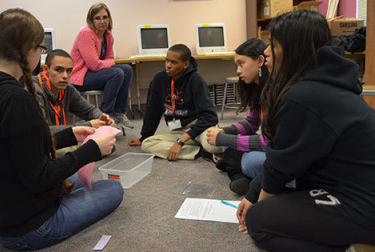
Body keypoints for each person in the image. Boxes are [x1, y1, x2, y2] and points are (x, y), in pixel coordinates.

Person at [0, 8, 123, 250]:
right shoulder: (16, 99)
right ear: (29, 50)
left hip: (5, 212)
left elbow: (21, 148)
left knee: (76, 179)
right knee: (113, 188)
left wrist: (69, 134)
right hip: (29, 227)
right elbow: (39, 177)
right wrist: (91, 150)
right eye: (41, 49)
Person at [236, 10, 375, 251]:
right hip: (348, 186)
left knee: (259, 221)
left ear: (292, 48)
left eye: (272, 44)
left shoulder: (303, 95)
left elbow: (281, 167)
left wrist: (257, 206)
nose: (266, 52)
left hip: (360, 203)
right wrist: (253, 193)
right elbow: (284, 154)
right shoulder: (322, 82)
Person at [128, 44, 222, 161]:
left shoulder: (195, 79)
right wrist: (144, 137)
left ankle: (205, 148)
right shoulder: (159, 79)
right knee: (147, 144)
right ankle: (201, 152)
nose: (168, 65)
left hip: (200, 127)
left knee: (215, 146)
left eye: (174, 62)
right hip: (180, 130)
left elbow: (210, 117)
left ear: (185, 64)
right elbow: (153, 111)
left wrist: (181, 141)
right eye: (167, 60)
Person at [206, 38, 269, 195]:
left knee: (250, 162)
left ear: (260, 61)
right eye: (237, 65)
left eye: (242, 63)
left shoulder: (275, 92)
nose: (238, 70)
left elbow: (270, 142)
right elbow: (251, 124)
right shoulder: (257, 88)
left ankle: (234, 170)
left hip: (277, 149)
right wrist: (224, 132)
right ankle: (233, 165)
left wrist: (224, 139)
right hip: (270, 145)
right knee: (230, 136)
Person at [70, 2, 134, 129]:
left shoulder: (108, 35)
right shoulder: (86, 33)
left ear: (109, 19)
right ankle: (105, 114)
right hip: (81, 77)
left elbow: (109, 58)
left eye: (105, 17)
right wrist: (110, 63)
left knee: (127, 69)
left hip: (95, 74)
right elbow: (94, 65)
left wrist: (108, 63)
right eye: (97, 18)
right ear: (91, 20)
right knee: (117, 73)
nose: (102, 21)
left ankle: (119, 112)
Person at [33, 49, 115, 134]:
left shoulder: (67, 88)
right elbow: (42, 131)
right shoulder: (34, 91)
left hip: (56, 142)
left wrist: (101, 117)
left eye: (69, 71)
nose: (65, 76)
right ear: (46, 69)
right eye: (59, 70)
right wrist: (88, 125)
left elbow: (90, 110)